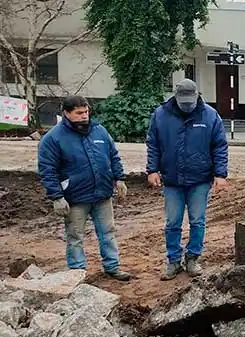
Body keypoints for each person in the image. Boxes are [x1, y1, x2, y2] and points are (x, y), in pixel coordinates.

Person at [37, 95, 132, 281]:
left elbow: (113, 155)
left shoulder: (99, 131)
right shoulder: (53, 139)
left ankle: (112, 267)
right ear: (66, 113)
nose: (84, 116)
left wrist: (119, 178)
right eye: (79, 113)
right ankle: (77, 274)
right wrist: (56, 196)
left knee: (108, 232)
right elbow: (47, 170)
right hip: (75, 198)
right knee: (75, 237)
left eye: (86, 112)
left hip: (102, 194)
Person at [146, 79, 228, 280]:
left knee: (197, 221)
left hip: (199, 180)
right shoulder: (161, 115)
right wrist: (152, 170)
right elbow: (153, 144)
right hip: (172, 180)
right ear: (176, 97)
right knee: (172, 222)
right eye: (183, 102)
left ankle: (193, 258)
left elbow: (219, 146)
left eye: (190, 102)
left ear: (197, 96)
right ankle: (173, 261)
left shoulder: (210, 116)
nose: (187, 106)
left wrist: (220, 174)